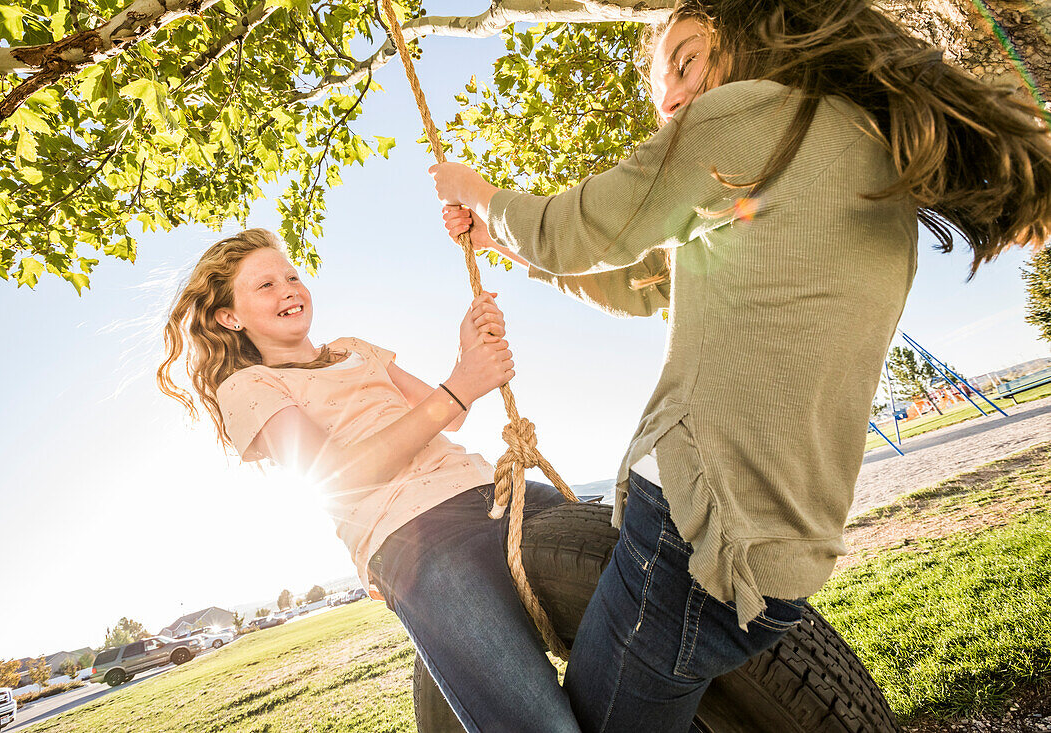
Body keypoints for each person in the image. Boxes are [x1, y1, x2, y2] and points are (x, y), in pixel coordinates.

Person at [430, 0, 1051, 729]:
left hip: (693, 538)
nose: (669, 98)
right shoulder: (858, 153)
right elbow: (645, 283)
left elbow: (577, 232)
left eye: (685, 61)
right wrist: (508, 246)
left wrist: (480, 195)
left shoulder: (746, 120)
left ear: (746, 32)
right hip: (781, 561)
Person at [155, 229, 581, 733]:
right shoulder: (249, 387)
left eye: (291, 276)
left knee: (653, 598)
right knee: (536, 722)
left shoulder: (356, 348)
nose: (289, 288)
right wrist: (461, 384)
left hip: (494, 490)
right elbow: (339, 472)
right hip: (415, 535)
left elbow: (449, 416)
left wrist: (467, 352)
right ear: (229, 316)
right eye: (265, 285)